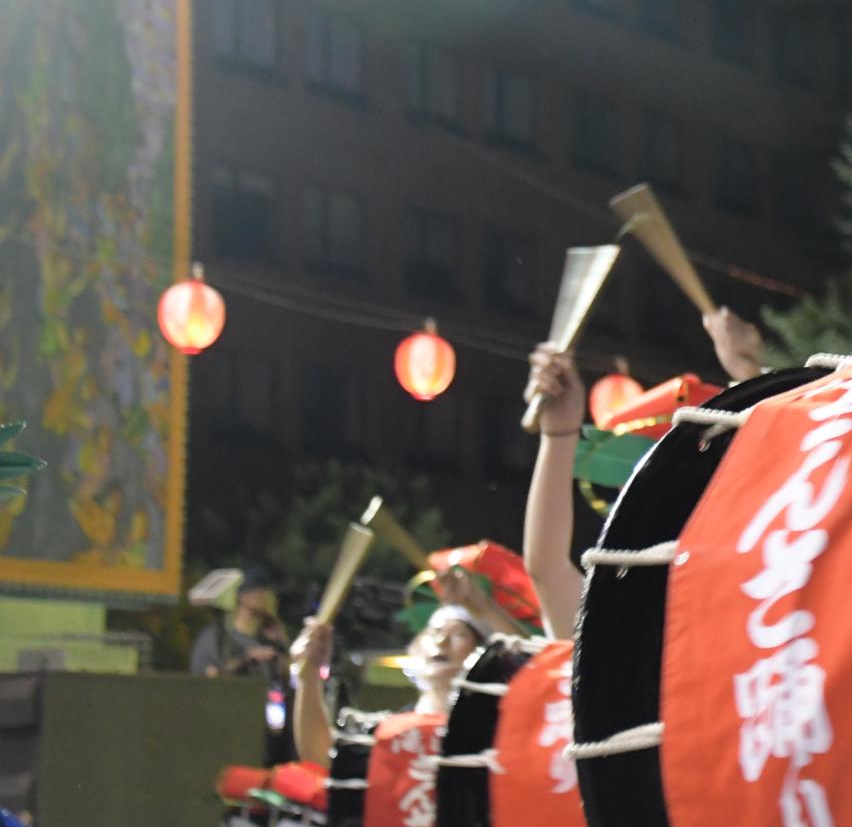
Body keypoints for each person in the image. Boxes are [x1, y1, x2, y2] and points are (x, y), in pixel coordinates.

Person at [522, 311, 766, 638]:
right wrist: (558, 434)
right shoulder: (628, 610)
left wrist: (752, 377)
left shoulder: (766, 575)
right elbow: (546, 570)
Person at [285, 601, 485, 770]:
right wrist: (309, 675)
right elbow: (323, 755)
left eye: (459, 634)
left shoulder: (487, 732)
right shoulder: (390, 733)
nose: (441, 641)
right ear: (417, 649)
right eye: (434, 632)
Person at [191, 572, 287, 680]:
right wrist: (246, 659)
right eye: (259, 593)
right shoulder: (216, 637)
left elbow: (286, 680)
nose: (266, 598)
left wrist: (282, 651)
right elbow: (209, 676)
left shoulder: (268, 636)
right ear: (242, 596)